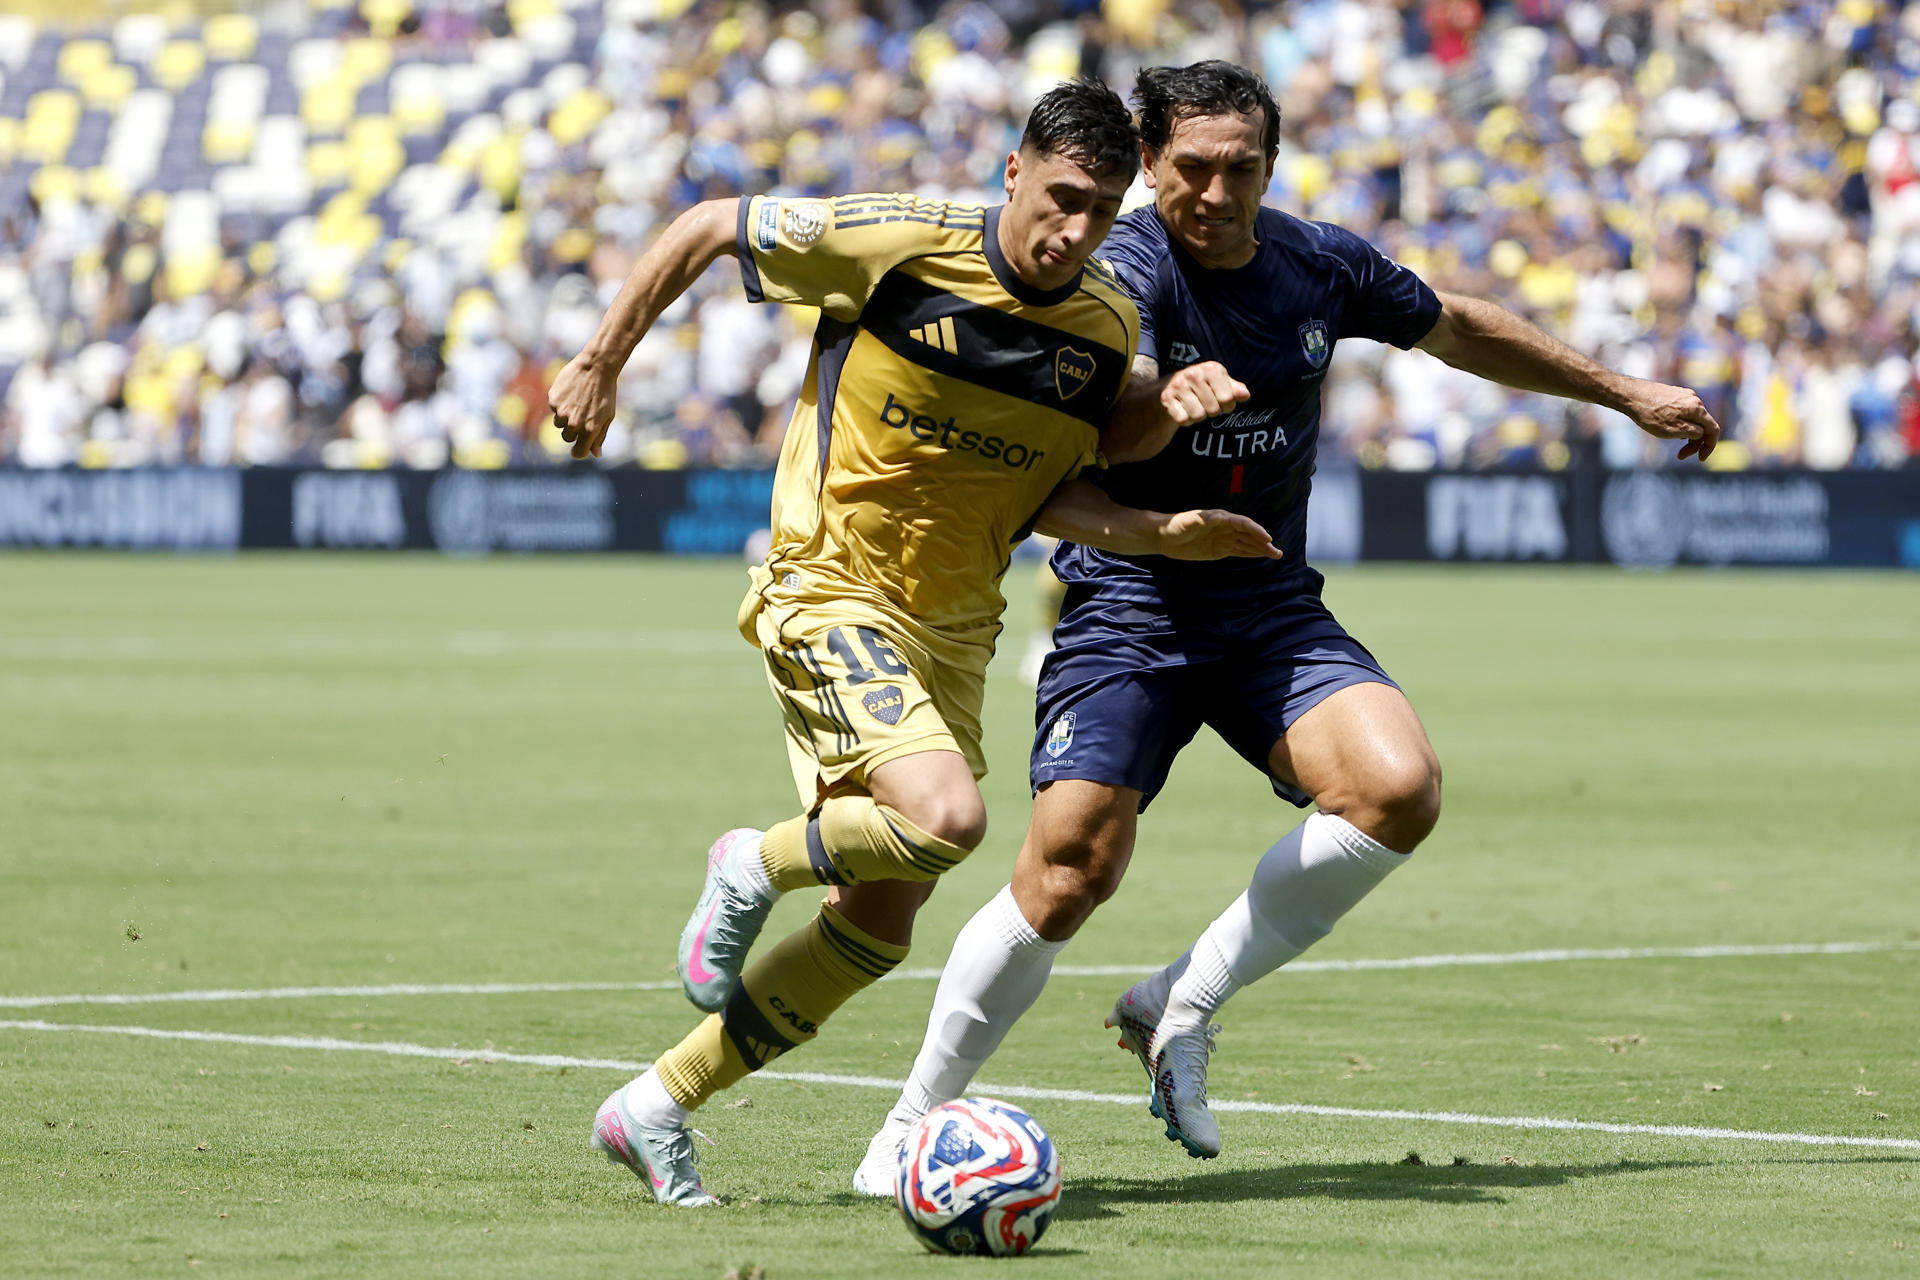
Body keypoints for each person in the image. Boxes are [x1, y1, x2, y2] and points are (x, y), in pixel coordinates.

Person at [852, 60, 1722, 1190]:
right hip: (1134, 600)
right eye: (1190, 170)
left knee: (1398, 786)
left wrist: (1623, 390)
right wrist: (1157, 404)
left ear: (1270, 166)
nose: (1214, 193)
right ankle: (910, 1123)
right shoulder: (1120, 267)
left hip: (1265, 602)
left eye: (1240, 169)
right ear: (1150, 166)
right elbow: (1108, 410)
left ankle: (1182, 1000)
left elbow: (1452, 325)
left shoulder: (1318, 262)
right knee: (1069, 870)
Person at [545, 77, 1283, 1207]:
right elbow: (705, 227)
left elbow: (1051, 497)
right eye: (1061, 198)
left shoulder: (1102, 326)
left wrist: (1166, 531)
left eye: (1102, 209)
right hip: (826, 584)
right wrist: (601, 358)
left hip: (953, 634)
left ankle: (652, 1105)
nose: (1075, 230)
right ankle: (751, 858)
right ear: (1012, 172)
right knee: (943, 820)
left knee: (879, 921)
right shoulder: (896, 247)